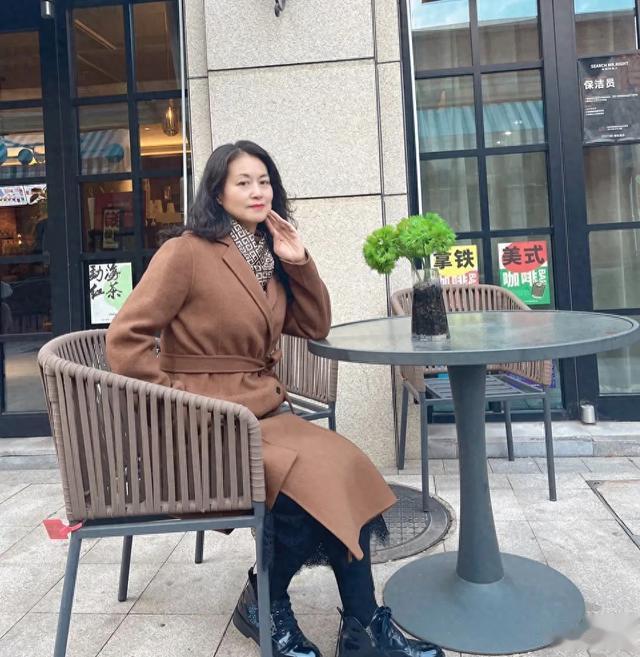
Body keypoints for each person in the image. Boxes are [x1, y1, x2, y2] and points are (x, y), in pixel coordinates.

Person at [106, 140, 444, 657]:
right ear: (217, 193)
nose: (257, 191)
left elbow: (315, 325)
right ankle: (267, 604)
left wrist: (299, 261)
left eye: (264, 181)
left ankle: (363, 628)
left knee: (345, 467)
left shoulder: (269, 254)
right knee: (301, 495)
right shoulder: (185, 252)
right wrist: (181, 399)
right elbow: (124, 340)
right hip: (205, 424)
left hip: (264, 412)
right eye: (242, 182)